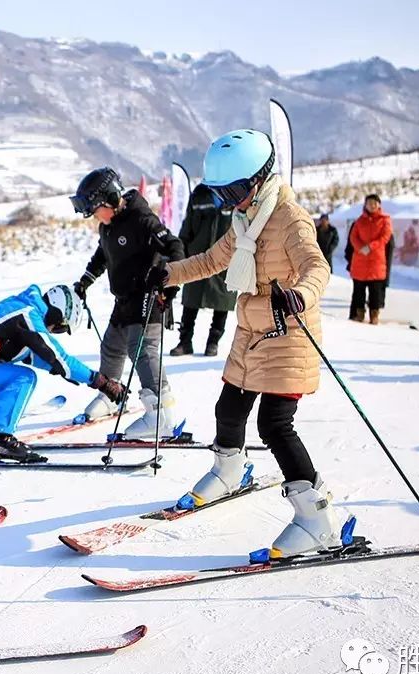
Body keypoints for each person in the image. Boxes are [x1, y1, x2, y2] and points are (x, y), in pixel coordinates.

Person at [151, 128, 354, 561]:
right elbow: (211, 260)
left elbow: (316, 266)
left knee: (275, 425)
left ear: (260, 179)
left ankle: (317, 522)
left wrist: (300, 293)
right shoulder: (244, 218)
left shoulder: (289, 218)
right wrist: (168, 273)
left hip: (289, 329)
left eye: (235, 192)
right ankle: (228, 471)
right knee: (228, 408)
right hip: (251, 330)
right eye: (222, 194)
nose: (229, 203)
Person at [0, 284, 129, 462]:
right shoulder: (28, 316)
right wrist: (101, 382)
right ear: (56, 312)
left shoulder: (21, 308)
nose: (55, 331)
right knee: (24, 377)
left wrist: (62, 370)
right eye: (60, 327)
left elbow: (36, 356)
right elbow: (59, 357)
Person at [70, 167, 186, 439]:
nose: (94, 216)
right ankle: (111, 395)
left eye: (96, 208)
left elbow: (175, 246)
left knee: (143, 351)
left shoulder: (142, 219)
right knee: (111, 346)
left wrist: (170, 284)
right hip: (123, 299)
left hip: (148, 296)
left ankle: (161, 415)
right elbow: (103, 254)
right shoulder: (107, 226)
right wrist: (85, 280)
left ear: (111, 198)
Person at [169, 184, 235, 357]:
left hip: (226, 260)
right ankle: (184, 342)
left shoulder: (236, 194)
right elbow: (186, 229)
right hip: (197, 258)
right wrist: (179, 255)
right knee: (190, 301)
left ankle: (213, 342)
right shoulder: (199, 195)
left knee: (223, 302)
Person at [348, 194, 393, 324]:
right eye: (369, 203)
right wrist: (360, 247)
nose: (371, 205)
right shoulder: (359, 221)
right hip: (360, 260)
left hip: (376, 261)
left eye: (374, 203)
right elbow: (353, 237)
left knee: (375, 291)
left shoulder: (385, 220)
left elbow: (385, 236)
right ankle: (359, 313)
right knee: (358, 291)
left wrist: (371, 247)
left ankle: (374, 315)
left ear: (379, 205)